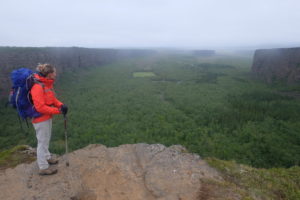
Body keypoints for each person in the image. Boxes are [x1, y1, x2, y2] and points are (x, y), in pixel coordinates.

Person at [31, 63, 68, 175]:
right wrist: (58, 111)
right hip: (40, 119)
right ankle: (43, 167)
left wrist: (61, 105)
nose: (56, 74)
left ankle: (47, 157)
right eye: (54, 72)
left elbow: (52, 99)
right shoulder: (37, 87)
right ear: (49, 74)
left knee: (46, 139)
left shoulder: (47, 84)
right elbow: (40, 107)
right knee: (42, 142)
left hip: (47, 117)